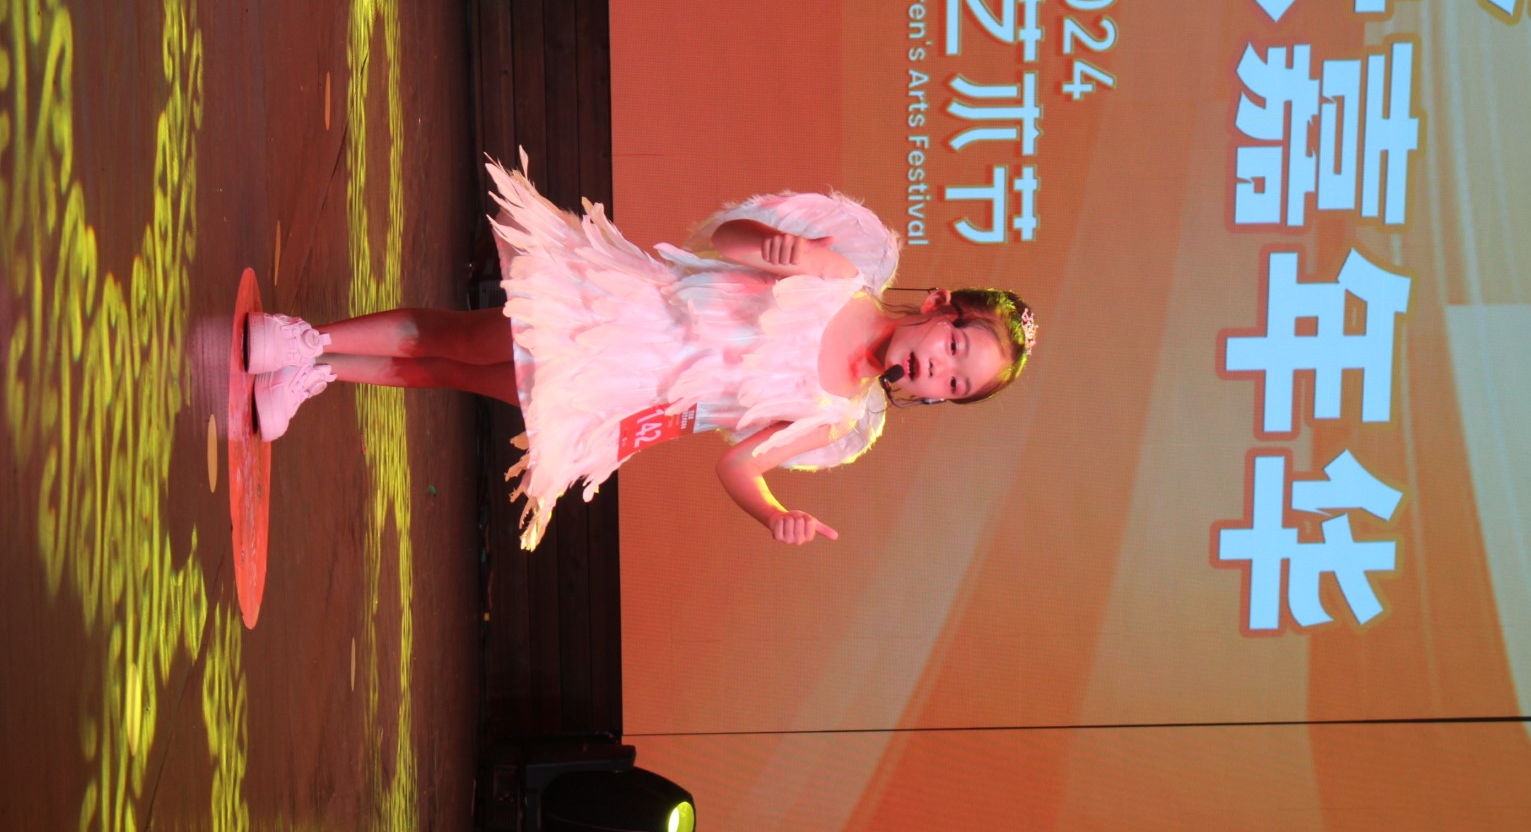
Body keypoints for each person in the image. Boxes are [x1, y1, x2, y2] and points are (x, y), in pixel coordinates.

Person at [248, 156, 1037, 550]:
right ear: (938, 307)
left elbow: (738, 465)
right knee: (459, 337)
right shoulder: (839, 276)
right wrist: (774, 248)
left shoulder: (838, 420)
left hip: (627, 396)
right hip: (622, 317)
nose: (939, 368)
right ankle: (306, 337)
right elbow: (725, 240)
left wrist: (774, 515)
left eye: (955, 382)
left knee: (460, 374)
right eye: (954, 345)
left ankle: (319, 372)